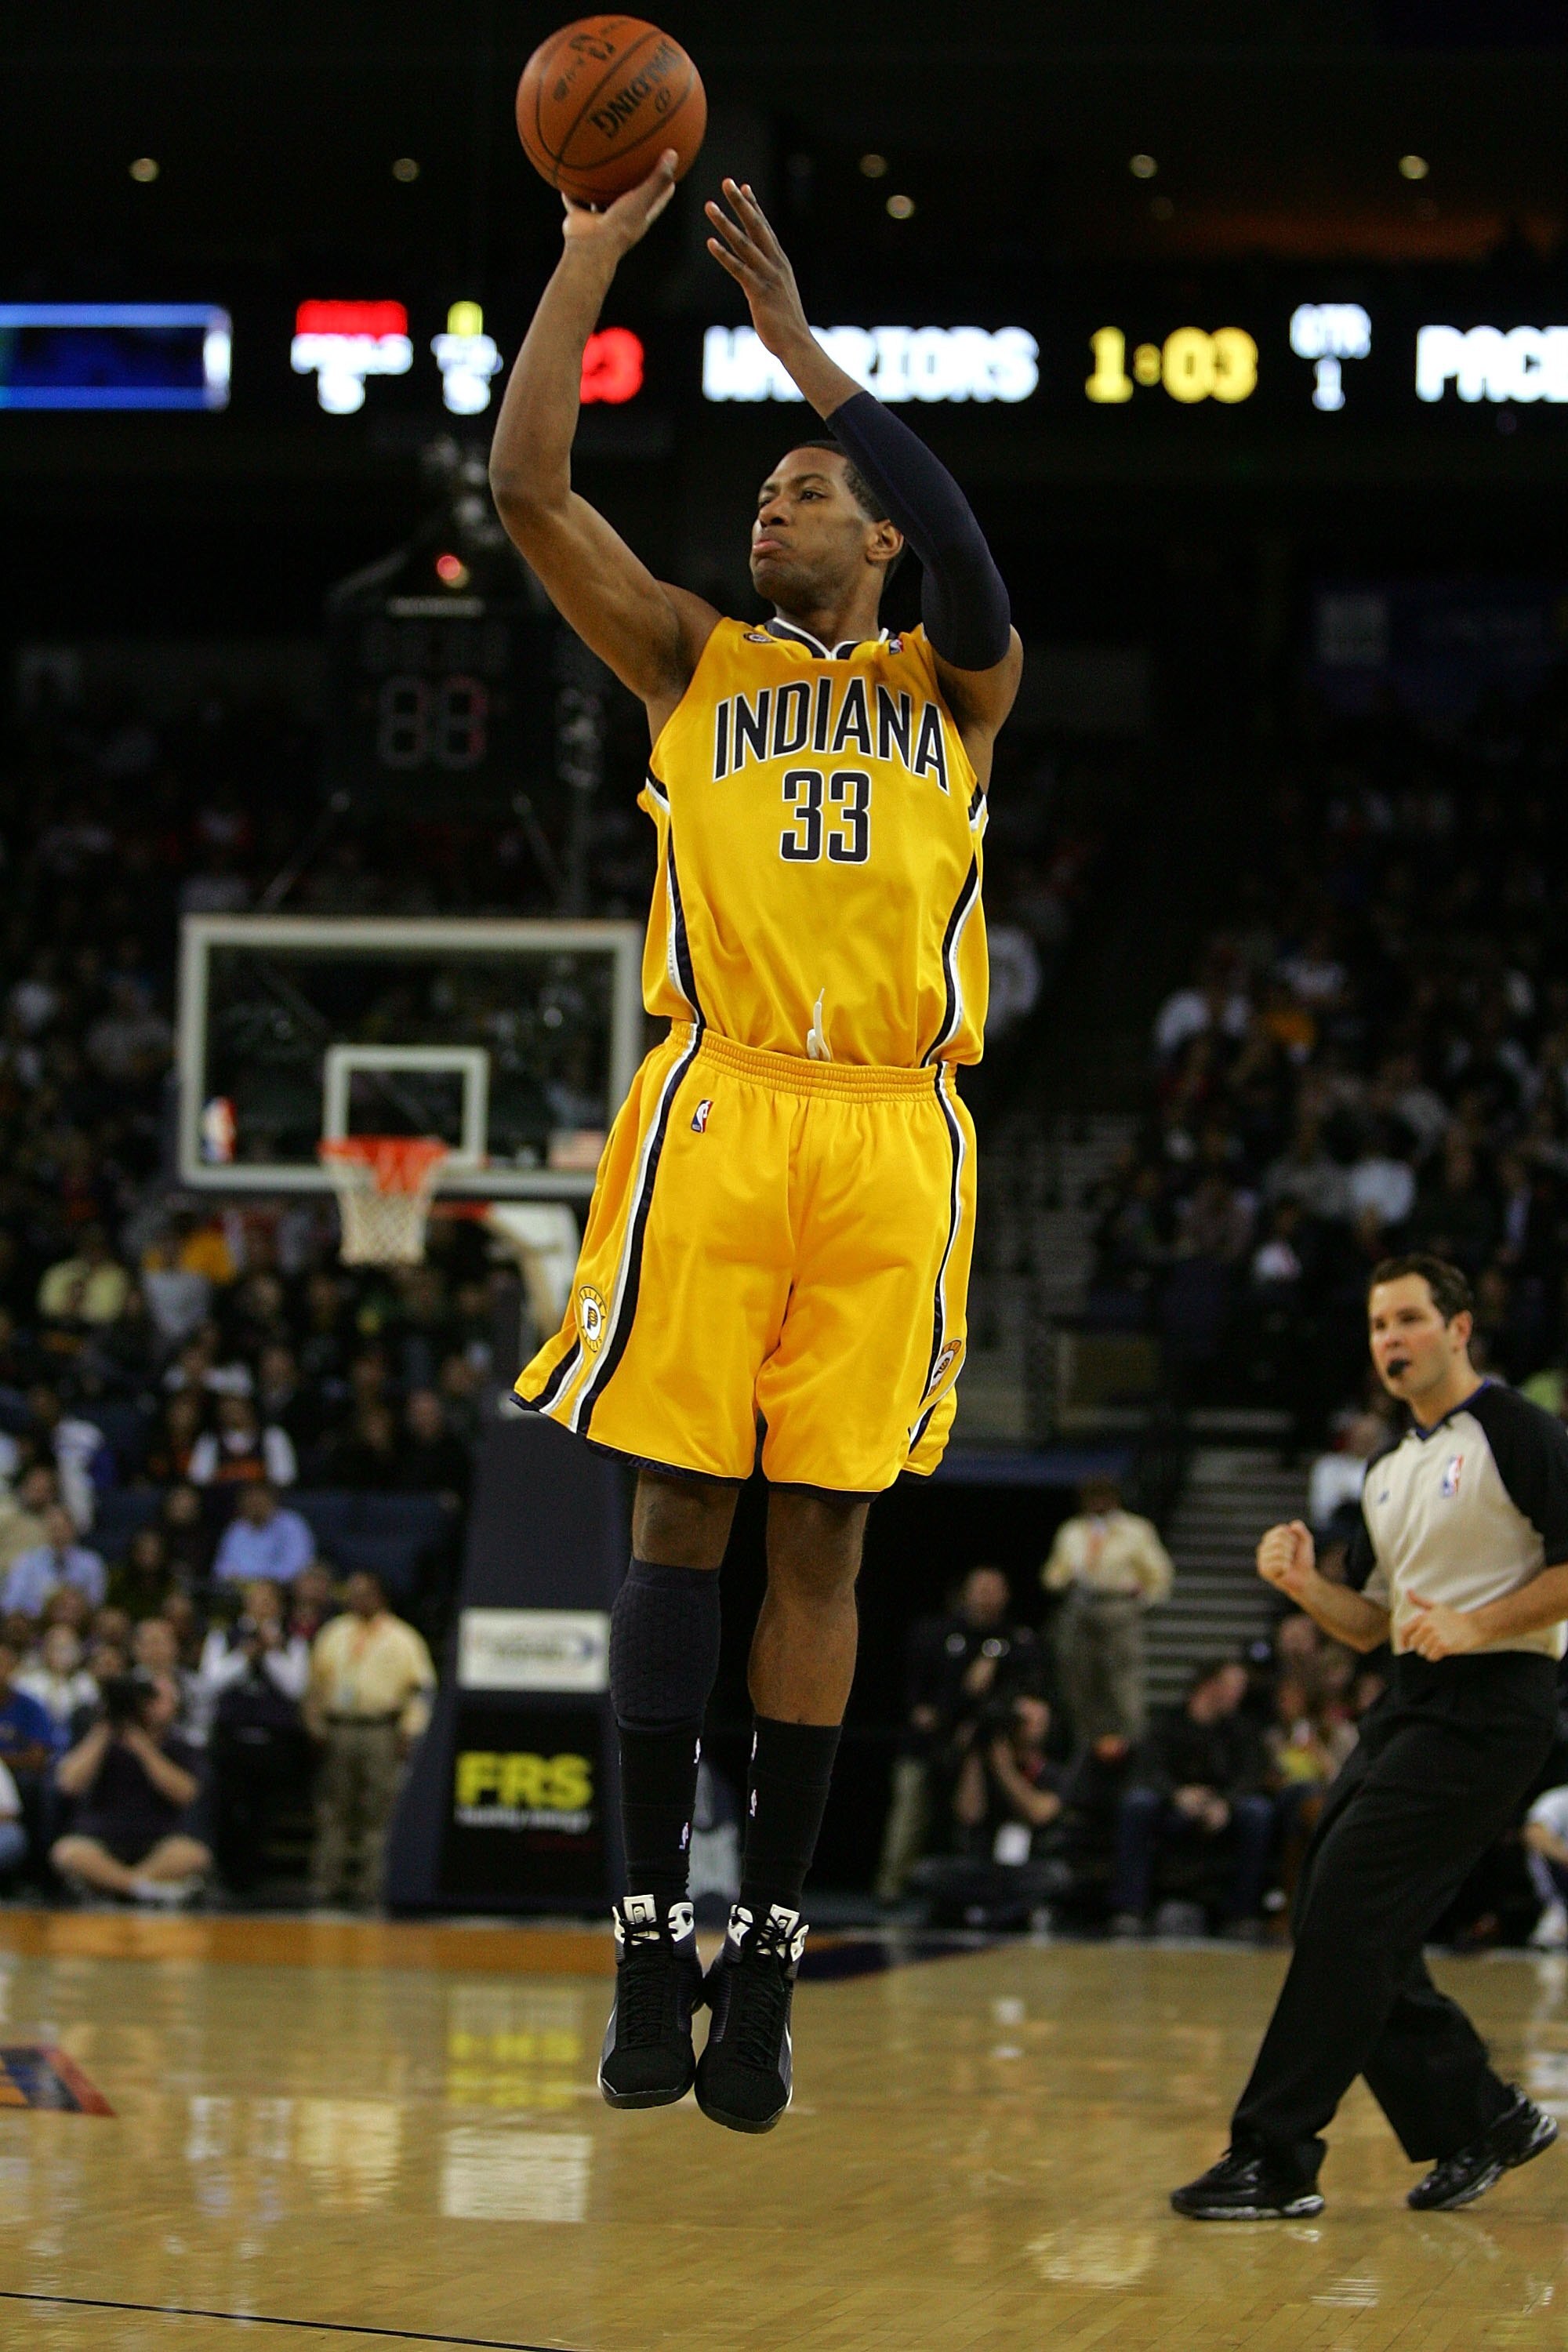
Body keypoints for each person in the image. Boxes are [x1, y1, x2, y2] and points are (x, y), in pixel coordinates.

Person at [490, 154, 1019, 2133]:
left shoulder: (951, 687)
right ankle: (646, 1938)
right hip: (715, 1101)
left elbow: (972, 558)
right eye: (768, 488)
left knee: (825, 1528)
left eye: (802, 489)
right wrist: (581, 262)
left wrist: (813, 366)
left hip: (893, 1127)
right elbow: (533, 488)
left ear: (866, 536)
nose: (768, 504)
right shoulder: (684, 657)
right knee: (677, 1521)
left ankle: (769, 1964)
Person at [1174, 1254, 1568, 2221]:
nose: (1387, 1340)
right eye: (1375, 1326)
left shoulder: (1515, 1431)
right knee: (1332, 1908)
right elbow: (1371, 1626)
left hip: (1495, 1704)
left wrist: (1479, 1625)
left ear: (1458, 1327)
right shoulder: (1386, 1471)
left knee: (1350, 1907)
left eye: (1405, 1320)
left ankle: (1273, 2154)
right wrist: (1306, 1586)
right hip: (1409, 1702)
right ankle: (1480, 2117)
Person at [874, 1566, 1042, 1902]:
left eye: (995, 1588)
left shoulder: (1017, 1640)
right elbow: (920, 1702)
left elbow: (1028, 1698)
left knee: (983, 1813)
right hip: (930, 1744)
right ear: (965, 1592)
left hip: (990, 1749)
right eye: (981, 1588)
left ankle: (990, 1891)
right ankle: (891, 1887)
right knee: (910, 1810)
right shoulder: (936, 1634)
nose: (987, 1596)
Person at [1110, 1660, 1273, 1937]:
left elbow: (1252, 1775)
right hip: (1172, 1807)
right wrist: (1176, 1794)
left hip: (1222, 1811)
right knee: (1137, 1804)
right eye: (1235, 1687)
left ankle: (1243, 1913)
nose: (1240, 1694)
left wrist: (1225, 1803)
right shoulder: (1166, 1722)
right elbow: (1147, 1768)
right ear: (1210, 1686)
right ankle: (1130, 1909)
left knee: (1258, 1811)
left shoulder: (1241, 1729)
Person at [305, 1572, 434, 1907]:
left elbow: (420, 1691)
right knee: (334, 1809)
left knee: (378, 1811)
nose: (356, 1599)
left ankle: (371, 1888)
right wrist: (315, 1724)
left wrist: (410, 1731)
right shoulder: (334, 1633)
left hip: (381, 1730)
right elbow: (314, 1684)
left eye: (364, 1593)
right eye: (352, 1593)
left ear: (380, 1596)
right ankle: (326, 1885)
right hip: (340, 1728)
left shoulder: (403, 1639)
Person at [51, 1668, 210, 1904]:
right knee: (67, 1852)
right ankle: (144, 1889)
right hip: (100, 1837)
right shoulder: (98, 1738)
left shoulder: (180, 1747)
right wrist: (106, 1729)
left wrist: (143, 1746)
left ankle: (117, 1886)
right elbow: (69, 1784)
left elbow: (186, 1794)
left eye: (158, 1698)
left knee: (194, 1854)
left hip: (158, 1839)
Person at [1042, 1478, 1173, 1746]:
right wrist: (1061, 1581)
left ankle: (1132, 1743)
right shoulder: (1073, 1531)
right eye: (1092, 1495)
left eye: (1103, 1495)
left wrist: (1144, 1600)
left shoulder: (1136, 1529)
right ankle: (1087, 1743)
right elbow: (1053, 1573)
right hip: (1080, 1607)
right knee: (1078, 1680)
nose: (1098, 1501)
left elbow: (1159, 1573)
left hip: (1118, 1608)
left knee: (1123, 1682)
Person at [3, 1504, 107, 1617]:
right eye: (53, 1528)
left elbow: (95, 1602)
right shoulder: (27, 1562)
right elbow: (11, 1601)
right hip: (36, 1622)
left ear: (72, 1529)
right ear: (45, 1530)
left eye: (62, 1528)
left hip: (79, 1623)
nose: (58, 1533)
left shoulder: (91, 1563)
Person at [210, 1480, 314, 1588]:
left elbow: (298, 1565)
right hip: (240, 1590)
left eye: (259, 1497)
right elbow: (222, 1568)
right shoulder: (236, 1529)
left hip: (281, 1588)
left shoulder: (291, 1524)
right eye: (249, 1498)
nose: (254, 1502)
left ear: (271, 1498)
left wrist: (263, 1582)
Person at [1523, 1785, 1568, 1951]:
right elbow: (1534, 1833)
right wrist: (1564, 1857)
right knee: (1539, 1850)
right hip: (1563, 1876)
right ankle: (1558, 1913)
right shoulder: (1560, 1799)